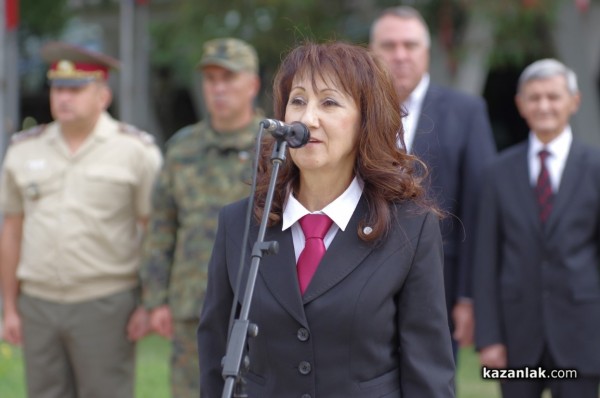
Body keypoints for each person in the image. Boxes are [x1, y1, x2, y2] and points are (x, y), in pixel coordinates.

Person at [198, 41, 455, 397]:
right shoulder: (239, 223)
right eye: (298, 101)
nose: (307, 119)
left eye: (329, 102)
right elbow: (215, 357)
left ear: (366, 119)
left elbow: (428, 374)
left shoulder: (410, 228)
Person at [0, 41, 162, 398]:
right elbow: (12, 230)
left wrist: (149, 302)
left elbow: (154, 232)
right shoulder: (24, 150)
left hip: (104, 303)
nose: (64, 97)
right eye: (58, 87)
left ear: (103, 95)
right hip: (38, 304)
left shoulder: (136, 152)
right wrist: (9, 308)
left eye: (75, 88)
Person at [369, 6, 497, 354]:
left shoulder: (466, 112)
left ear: (426, 53)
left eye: (410, 45)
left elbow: (479, 207)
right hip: (361, 280)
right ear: (371, 52)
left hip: (441, 283)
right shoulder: (353, 112)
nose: (400, 55)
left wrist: (470, 296)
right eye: (389, 45)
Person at [139, 37, 262, 398]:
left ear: (252, 84)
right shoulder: (182, 147)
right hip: (193, 304)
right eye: (210, 79)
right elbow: (161, 227)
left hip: (259, 303)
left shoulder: (273, 146)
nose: (218, 88)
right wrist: (155, 298)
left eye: (228, 77)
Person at [474, 59, 600, 397]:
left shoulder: (596, 169)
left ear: (574, 101)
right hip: (516, 339)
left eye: (553, 97)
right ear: (521, 104)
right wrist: (489, 338)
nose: (544, 105)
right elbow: (485, 260)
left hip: (582, 337)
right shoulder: (496, 174)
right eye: (535, 97)